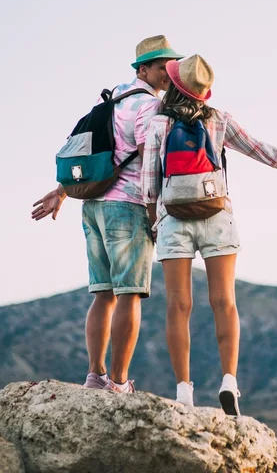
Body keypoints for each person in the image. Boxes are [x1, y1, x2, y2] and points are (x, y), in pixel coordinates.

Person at [141, 54, 277, 414]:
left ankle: (184, 391)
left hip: (173, 218)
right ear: (203, 92)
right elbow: (268, 154)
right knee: (224, 302)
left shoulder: (158, 124)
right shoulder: (218, 119)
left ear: (172, 84)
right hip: (217, 214)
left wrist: (154, 221)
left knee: (178, 305)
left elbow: (149, 185)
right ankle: (230, 382)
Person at [31, 35, 184, 393]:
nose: (169, 73)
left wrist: (62, 191)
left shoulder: (113, 98)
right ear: (143, 69)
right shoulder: (148, 106)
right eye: (163, 66)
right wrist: (156, 211)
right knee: (130, 293)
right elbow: (149, 158)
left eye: (172, 66)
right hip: (128, 205)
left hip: (93, 206)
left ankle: (95, 376)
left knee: (103, 294)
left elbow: (97, 151)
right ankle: (117, 382)